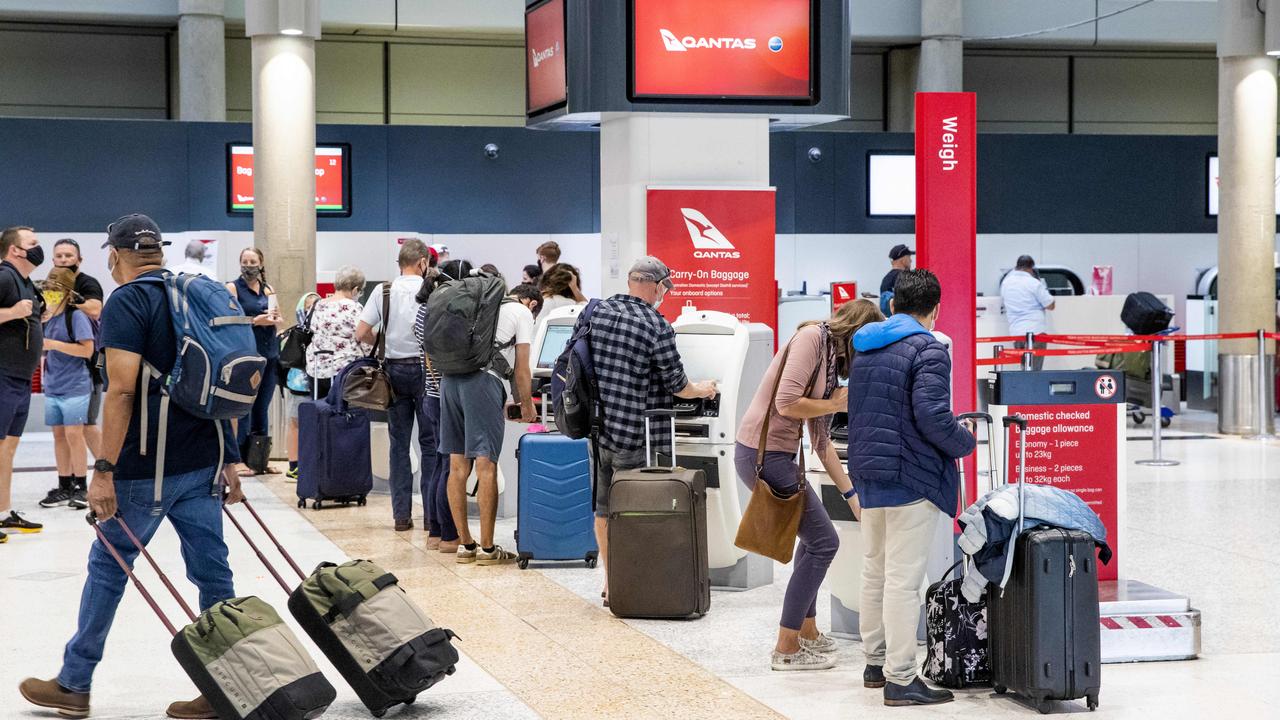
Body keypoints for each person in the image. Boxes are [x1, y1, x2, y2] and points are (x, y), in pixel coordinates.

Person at [19, 213, 243, 720]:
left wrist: (102, 470)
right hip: (203, 458)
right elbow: (222, 386)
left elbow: (120, 388)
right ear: (158, 252)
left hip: (147, 467)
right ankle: (226, 684)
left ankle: (74, 683)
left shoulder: (129, 299)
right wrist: (229, 459)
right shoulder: (197, 292)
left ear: (115, 256)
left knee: (109, 565)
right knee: (212, 570)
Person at [847, 269, 975, 707]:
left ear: (893, 304)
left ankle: (874, 661)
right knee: (903, 581)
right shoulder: (929, 349)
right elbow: (933, 417)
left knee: (874, 569)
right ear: (935, 310)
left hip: (868, 471)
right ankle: (900, 679)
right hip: (910, 477)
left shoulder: (865, 346)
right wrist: (966, 442)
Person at [735, 299, 881, 671]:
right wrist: (834, 405)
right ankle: (786, 646)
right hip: (762, 454)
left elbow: (821, 444)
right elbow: (786, 403)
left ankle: (808, 631)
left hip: (778, 456)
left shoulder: (830, 364)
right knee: (824, 541)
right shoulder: (812, 338)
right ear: (856, 335)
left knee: (815, 539)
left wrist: (852, 497)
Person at [577, 256, 718, 603]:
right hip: (635, 434)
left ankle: (612, 583)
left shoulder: (597, 312)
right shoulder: (655, 324)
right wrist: (705, 389)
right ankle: (636, 581)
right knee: (635, 510)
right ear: (657, 287)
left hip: (596, 430)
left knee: (603, 507)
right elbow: (677, 384)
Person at [439, 260, 535, 565]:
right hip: (483, 382)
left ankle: (465, 546)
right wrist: (526, 404)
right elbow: (521, 368)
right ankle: (489, 548)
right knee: (486, 464)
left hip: (450, 380)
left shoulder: (461, 304)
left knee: (457, 465)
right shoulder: (519, 311)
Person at [356, 240, 434, 532]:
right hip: (428, 371)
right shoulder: (431, 289)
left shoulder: (383, 290)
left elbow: (361, 332)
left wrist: (383, 345)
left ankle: (401, 515)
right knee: (430, 444)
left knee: (398, 444)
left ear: (400, 263)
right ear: (423, 262)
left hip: (393, 371)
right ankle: (432, 516)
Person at [0, 226, 46, 543]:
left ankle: (3, 513)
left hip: (20, 376)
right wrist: (13, 312)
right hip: (3, 373)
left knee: (7, 449)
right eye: (33, 244)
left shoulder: (26, 282)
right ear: (15, 249)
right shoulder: (4, 277)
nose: (38, 248)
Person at [36, 268, 95, 511]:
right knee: (59, 436)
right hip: (53, 384)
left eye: (55, 290)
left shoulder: (75, 317)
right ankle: (64, 484)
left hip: (76, 385)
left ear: (67, 294)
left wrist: (55, 345)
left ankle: (81, 485)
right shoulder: (47, 318)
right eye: (48, 290)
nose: (50, 294)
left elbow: (86, 350)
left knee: (74, 435)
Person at [413, 264, 457, 552]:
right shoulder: (440, 315)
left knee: (437, 464)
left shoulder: (421, 314)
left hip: (430, 395)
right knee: (449, 467)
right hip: (444, 396)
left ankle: (435, 531)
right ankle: (448, 534)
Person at [226, 248, 282, 476]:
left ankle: (259, 458)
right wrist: (255, 321)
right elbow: (228, 319)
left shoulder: (268, 289)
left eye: (253, 261)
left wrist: (275, 320)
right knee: (243, 407)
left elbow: (278, 317)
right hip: (246, 354)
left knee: (262, 407)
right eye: (245, 261)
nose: (249, 265)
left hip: (269, 354)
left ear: (261, 263)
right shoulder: (232, 288)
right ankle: (237, 458)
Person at [52, 239, 106, 462]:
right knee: (63, 431)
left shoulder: (87, 283)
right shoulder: (51, 285)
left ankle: (110, 474)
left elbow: (95, 309)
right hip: (61, 371)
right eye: (59, 256)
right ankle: (69, 482)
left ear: (79, 259)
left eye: (68, 255)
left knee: (87, 425)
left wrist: (70, 300)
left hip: (87, 369)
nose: (64, 260)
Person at [282, 292, 321, 481]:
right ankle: (294, 465)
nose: (312, 310)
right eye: (308, 307)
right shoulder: (296, 332)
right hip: (298, 382)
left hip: (318, 382)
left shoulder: (324, 330)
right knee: (295, 422)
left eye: (316, 306)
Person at [1000, 255, 1055, 371]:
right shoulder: (1033, 283)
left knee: (1024, 370)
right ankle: (1034, 389)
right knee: (1034, 371)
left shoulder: (1006, 283)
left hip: (1017, 333)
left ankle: (1024, 389)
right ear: (1031, 268)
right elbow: (1050, 305)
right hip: (1036, 332)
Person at [878, 244, 914, 317]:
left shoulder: (886, 279)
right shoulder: (905, 277)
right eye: (909, 257)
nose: (911, 260)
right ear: (903, 260)